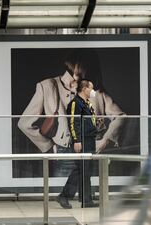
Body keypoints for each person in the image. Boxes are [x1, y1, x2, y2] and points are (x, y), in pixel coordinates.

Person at [17, 49, 125, 176]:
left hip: (92, 151)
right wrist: (48, 146)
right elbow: (24, 123)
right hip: (64, 153)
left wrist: (105, 140)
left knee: (93, 194)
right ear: (76, 65)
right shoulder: (47, 86)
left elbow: (120, 116)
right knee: (66, 194)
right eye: (85, 67)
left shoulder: (94, 89)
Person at [57, 79, 99, 209]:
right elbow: (73, 123)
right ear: (84, 88)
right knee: (80, 169)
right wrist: (77, 141)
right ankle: (64, 195)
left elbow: (86, 121)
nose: (93, 91)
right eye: (91, 88)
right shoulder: (75, 103)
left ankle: (86, 199)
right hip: (82, 141)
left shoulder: (86, 103)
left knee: (86, 170)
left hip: (90, 140)